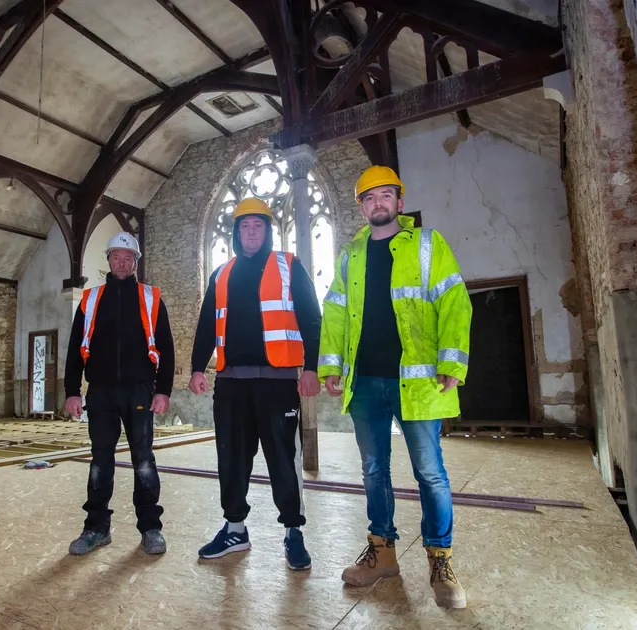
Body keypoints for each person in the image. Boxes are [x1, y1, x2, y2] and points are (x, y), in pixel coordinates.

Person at [318, 166, 473, 608]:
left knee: (430, 473)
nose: (377, 203)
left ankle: (440, 561)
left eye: (385, 195)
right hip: (365, 381)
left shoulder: (427, 244)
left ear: (399, 202)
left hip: (418, 383)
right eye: (368, 198)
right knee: (373, 470)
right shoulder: (350, 254)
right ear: (362, 207)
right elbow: (335, 311)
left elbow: (454, 300)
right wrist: (331, 365)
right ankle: (382, 553)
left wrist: (452, 361)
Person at [188, 197, 322, 571]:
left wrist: (311, 368)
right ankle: (235, 529)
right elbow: (206, 325)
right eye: (244, 226)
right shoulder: (221, 273)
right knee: (231, 459)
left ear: (267, 231)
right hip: (230, 383)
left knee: (283, 459)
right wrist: (197, 368)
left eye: (257, 225)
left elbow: (312, 318)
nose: (250, 232)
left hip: (277, 383)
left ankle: (293, 531)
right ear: (235, 232)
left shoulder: (289, 265)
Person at [63, 232, 175, 556]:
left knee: (143, 460)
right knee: (100, 461)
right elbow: (75, 348)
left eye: (128, 258)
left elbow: (166, 347)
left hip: (139, 390)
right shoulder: (90, 299)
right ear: (108, 261)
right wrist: (72, 391)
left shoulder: (151, 298)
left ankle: (151, 528)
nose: (122, 263)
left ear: (136, 263)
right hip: (100, 391)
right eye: (116, 257)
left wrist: (163, 390)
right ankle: (96, 528)